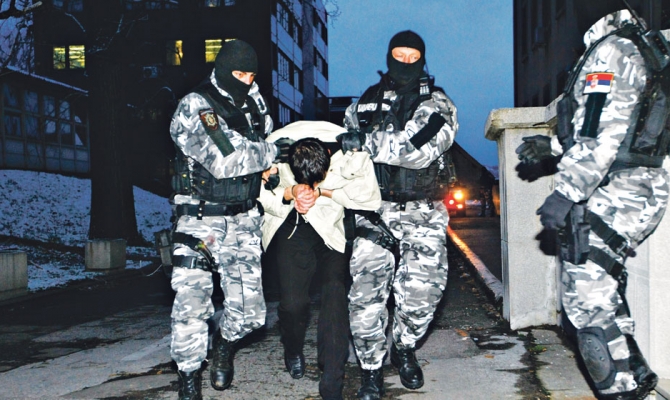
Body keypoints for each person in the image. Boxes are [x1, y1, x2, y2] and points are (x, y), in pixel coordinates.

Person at [516, 5, 670, 399]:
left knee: (584, 302)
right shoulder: (632, 43)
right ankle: (635, 377)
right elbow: (612, 123)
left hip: (618, 188)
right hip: (633, 183)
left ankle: (622, 391)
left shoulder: (611, 49)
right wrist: (552, 145)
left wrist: (566, 193)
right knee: (601, 291)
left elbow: (601, 136)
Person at [337, 30, 458, 399]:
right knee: (365, 298)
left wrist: (365, 143)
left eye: (413, 57)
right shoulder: (362, 105)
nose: (405, 62)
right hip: (373, 212)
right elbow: (346, 158)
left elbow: (416, 150)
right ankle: (371, 371)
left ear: (422, 60)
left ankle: (403, 347)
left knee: (423, 297)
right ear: (389, 57)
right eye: (399, 55)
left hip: (423, 212)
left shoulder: (438, 103)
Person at [168, 39, 279, 400]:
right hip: (199, 220)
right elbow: (227, 159)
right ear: (222, 69)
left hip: (243, 221)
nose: (246, 81)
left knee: (250, 315)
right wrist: (272, 152)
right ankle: (188, 380)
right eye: (239, 74)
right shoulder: (196, 105)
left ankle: (224, 345)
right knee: (191, 306)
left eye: (251, 75)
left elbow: (257, 152)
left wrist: (267, 169)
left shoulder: (255, 105)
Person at [259, 121, 381, 400]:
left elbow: (370, 200)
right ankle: (292, 347)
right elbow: (261, 197)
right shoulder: (273, 149)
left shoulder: (350, 151)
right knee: (293, 304)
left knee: (335, 296)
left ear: (328, 156)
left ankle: (332, 382)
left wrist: (324, 192)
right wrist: (290, 193)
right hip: (292, 227)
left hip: (330, 231)